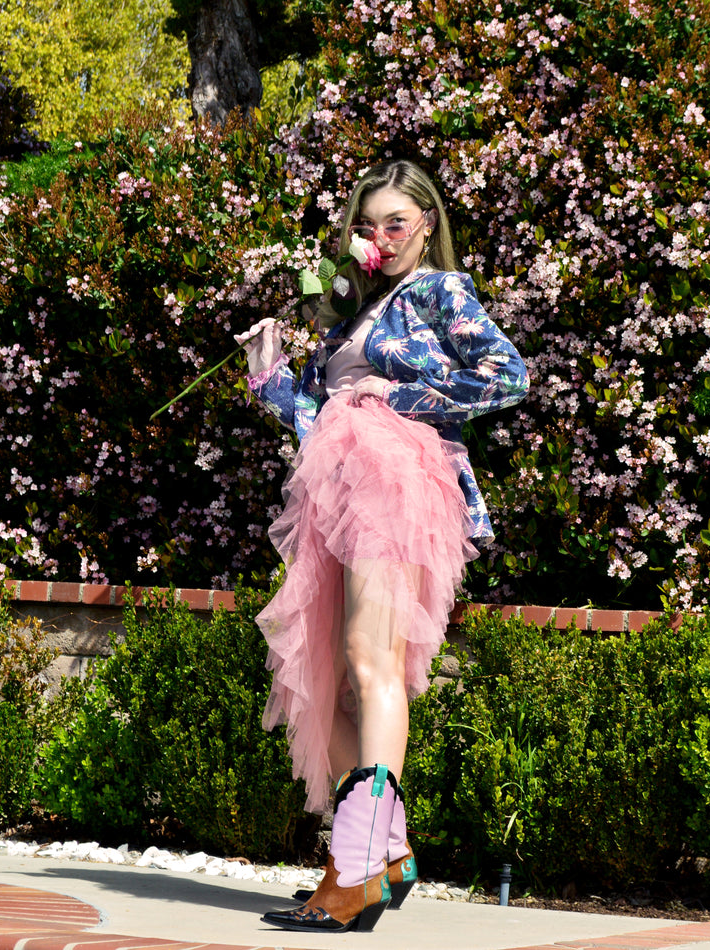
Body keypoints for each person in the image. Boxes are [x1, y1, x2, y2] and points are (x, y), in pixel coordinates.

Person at [235, 160, 529, 933]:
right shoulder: (352, 317)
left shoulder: (441, 293)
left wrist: (394, 395)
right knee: (326, 679)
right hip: (337, 488)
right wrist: (269, 374)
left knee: (372, 665)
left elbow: (508, 376)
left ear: (427, 223)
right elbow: (320, 414)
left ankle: (355, 869)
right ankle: (383, 855)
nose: (380, 239)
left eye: (395, 223)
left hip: (398, 481)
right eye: (367, 227)